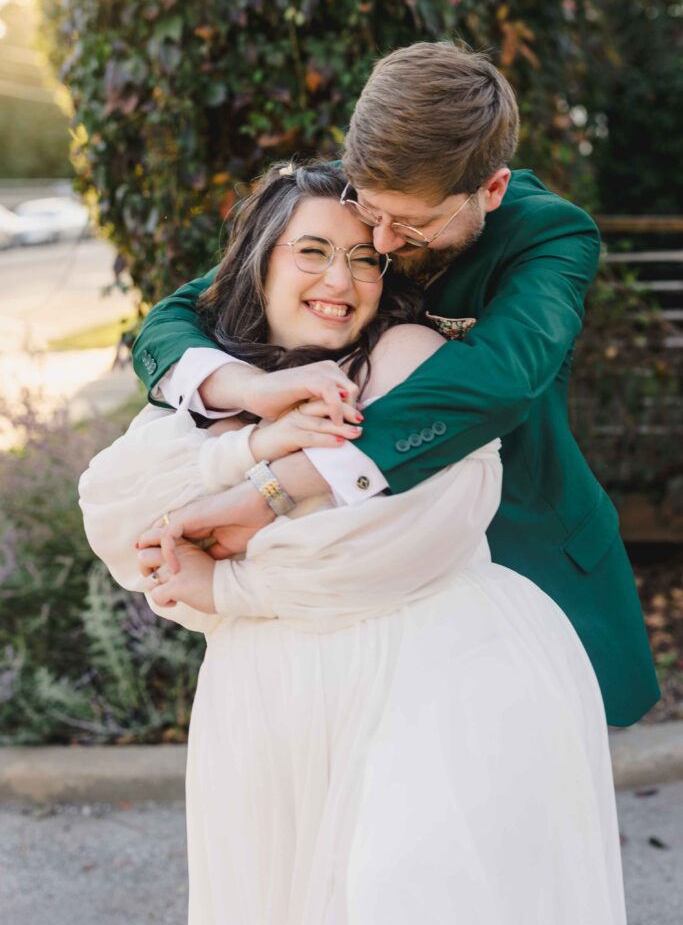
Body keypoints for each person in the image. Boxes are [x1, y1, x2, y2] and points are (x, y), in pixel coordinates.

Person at [80, 161, 627, 924]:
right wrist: (254, 438)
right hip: (263, 705)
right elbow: (115, 509)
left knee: (402, 891)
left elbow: (397, 544)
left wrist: (229, 585)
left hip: (432, 681)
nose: (340, 278)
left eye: (366, 257)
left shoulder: (406, 357)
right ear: (257, 262)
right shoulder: (226, 376)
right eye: (310, 252)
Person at [131, 40, 659, 728]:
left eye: (410, 225)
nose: (377, 243)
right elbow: (175, 316)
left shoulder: (549, 237)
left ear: (490, 189)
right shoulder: (344, 196)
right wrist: (244, 390)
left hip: (520, 553)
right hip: (347, 572)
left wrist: (277, 486)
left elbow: (499, 382)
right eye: (367, 207)